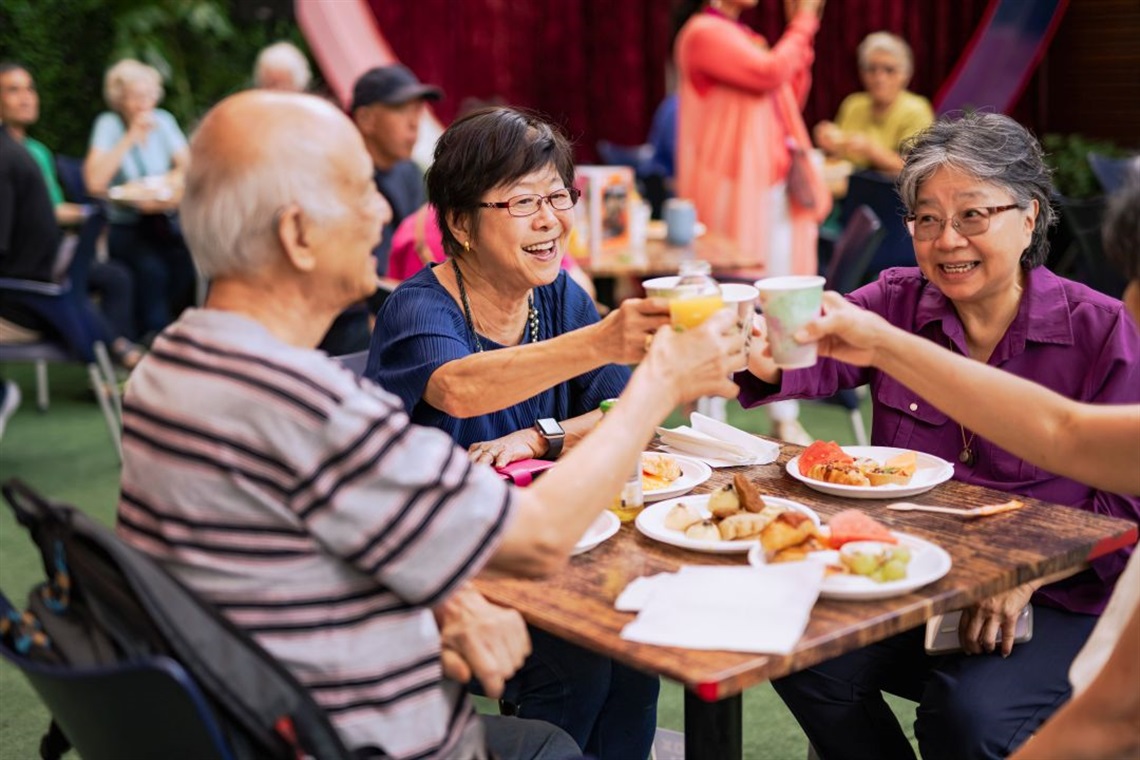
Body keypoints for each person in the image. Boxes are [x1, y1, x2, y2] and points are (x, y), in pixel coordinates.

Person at [114, 89, 746, 760]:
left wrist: (447, 600)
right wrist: (661, 382)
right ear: (298, 234)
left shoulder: (170, 366)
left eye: (555, 196)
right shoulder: (309, 406)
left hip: (251, 713)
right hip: (353, 737)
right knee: (558, 727)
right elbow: (533, 540)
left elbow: (319, 540)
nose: (384, 211)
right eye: (360, 191)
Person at [743, 112, 1140, 759]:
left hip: (1056, 597)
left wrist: (1027, 575)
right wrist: (757, 352)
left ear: (1031, 216)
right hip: (914, 579)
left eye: (972, 216)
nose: (946, 240)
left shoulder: (1098, 329)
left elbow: (1127, 504)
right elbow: (807, 357)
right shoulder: (896, 305)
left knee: (968, 717)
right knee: (790, 644)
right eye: (926, 219)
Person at [367, 106, 674, 759]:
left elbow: (626, 414)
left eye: (558, 195)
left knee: (635, 652)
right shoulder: (418, 308)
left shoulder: (560, 297)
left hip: (556, 561)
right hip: (448, 583)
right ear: (460, 224)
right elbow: (459, 385)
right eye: (522, 201)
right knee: (578, 665)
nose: (551, 219)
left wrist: (542, 437)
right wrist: (602, 342)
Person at [673, 0, 827, 444]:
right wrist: (803, 22)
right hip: (732, 191)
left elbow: (785, 91)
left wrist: (800, 38)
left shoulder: (745, 36)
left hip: (769, 187)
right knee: (726, 301)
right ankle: (710, 415)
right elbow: (768, 72)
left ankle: (783, 410)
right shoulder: (704, 31)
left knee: (779, 300)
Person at [0, 61, 140, 363]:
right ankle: (118, 352)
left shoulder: (26, 153)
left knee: (117, 276)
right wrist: (89, 215)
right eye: (14, 90)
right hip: (44, 276)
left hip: (25, 295)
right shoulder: (17, 153)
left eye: (29, 89)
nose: (26, 97)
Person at [319, 64, 445, 355]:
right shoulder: (334, 176)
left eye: (418, 111)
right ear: (365, 119)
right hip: (342, 323)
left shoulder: (409, 172)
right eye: (402, 110)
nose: (415, 124)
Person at [83, 59, 196, 341]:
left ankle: (169, 331)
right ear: (119, 100)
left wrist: (169, 182)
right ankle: (157, 337)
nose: (143, 104)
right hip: (127, 227)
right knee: (152, 270)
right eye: (135, 97)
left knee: (187, 264)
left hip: (164, 222)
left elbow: (188, 167)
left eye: (148, 96)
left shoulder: (164, 120)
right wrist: (131, 136)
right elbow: (94, 183)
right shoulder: (109, 125)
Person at [813, 32, 934, 174]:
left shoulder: (917, 109)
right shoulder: (853, 104)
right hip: (849, 187)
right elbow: (838, 156)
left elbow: (914, 169)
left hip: (892, 192)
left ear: (905, 74)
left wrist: (871, 151)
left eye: (889, 70)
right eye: (871, 69)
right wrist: (829, 142)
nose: (879, 78)